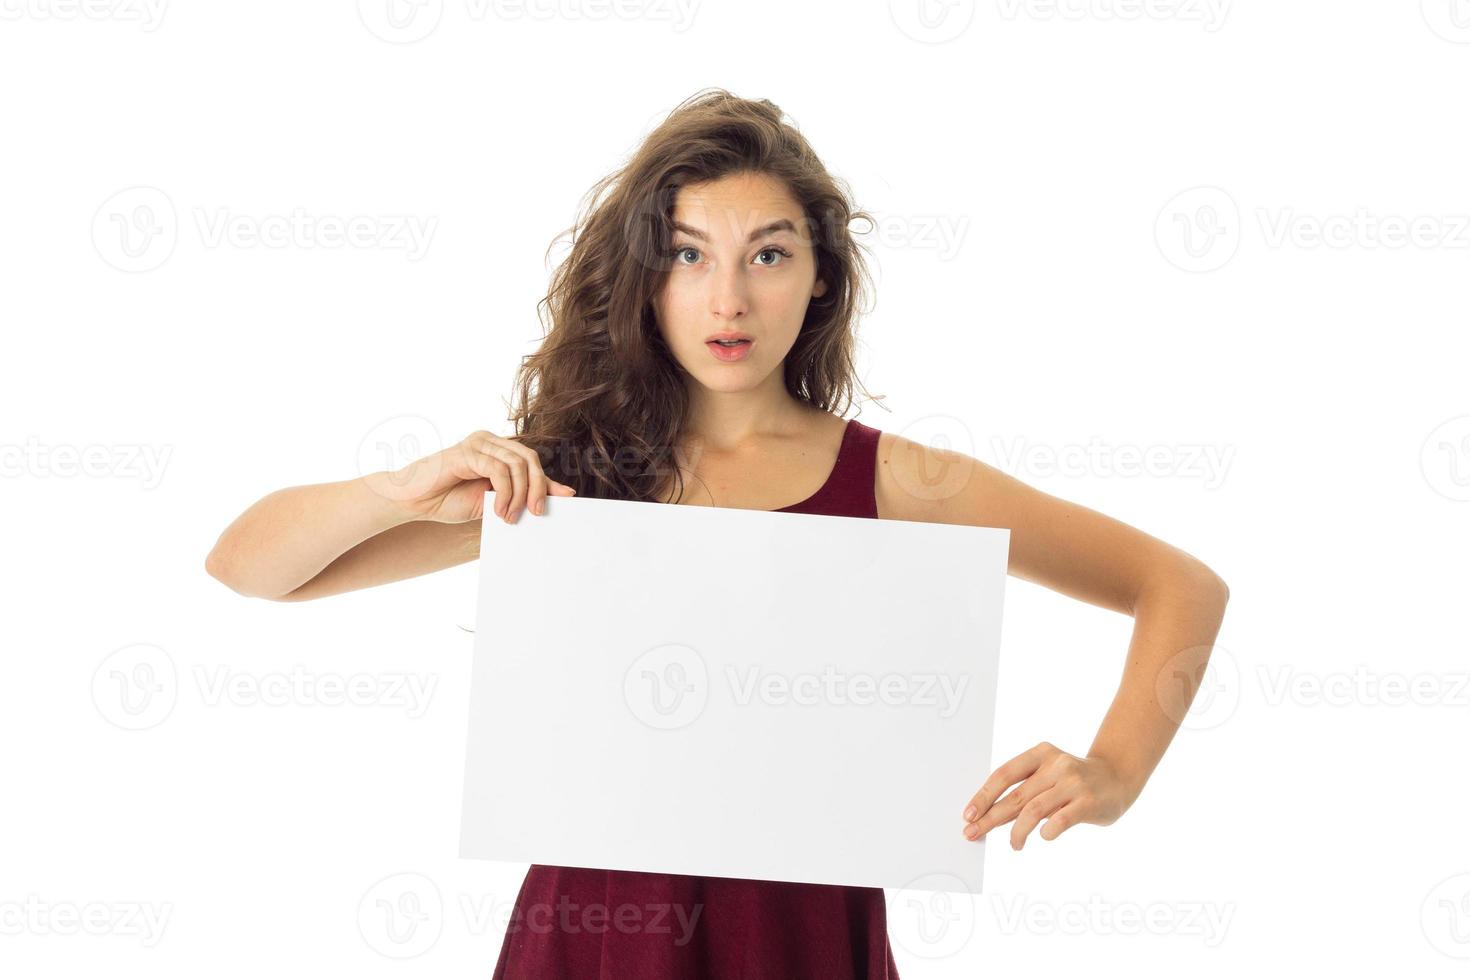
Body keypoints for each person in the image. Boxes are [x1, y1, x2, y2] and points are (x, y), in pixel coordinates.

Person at [205, 88, 1230, 979]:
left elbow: (1177, 582)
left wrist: (1113, 772)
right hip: (592, 944)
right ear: (646, 278)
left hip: (804, 942)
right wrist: (401, 486)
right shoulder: (570, 480)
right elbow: (249, 567)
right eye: (688, 255)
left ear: (820, 275)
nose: (727, 298)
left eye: (767, 254)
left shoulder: (894, 479)